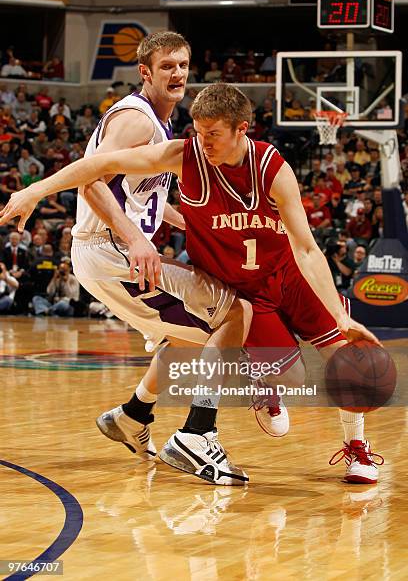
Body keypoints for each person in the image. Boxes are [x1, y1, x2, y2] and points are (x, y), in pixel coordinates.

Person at [0, 83, 383, 485]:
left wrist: (342, 317)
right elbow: (97, 165)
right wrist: (35, 189)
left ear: (242, 130)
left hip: (286, 274)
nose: (203, 141)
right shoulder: (183, 156)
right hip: (244, 293)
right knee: (290, 377)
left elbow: (306, 250)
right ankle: (262, 380)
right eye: (198, 131)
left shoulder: (272, 168)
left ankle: (357, 447)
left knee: (344, 352)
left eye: (213, 133)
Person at [0, 34, 252, 486]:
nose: (178, 73)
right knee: (235, 314)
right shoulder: (136, 119)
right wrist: (134, 236)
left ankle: (132, 416)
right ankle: (198, 433)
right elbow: (92, 181)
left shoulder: (160, 123)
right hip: (109, 250)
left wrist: (188, 224)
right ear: (146, 72)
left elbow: (144, 200)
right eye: (168, 66)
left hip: (110, 252)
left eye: (183, 64)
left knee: (190, 337)